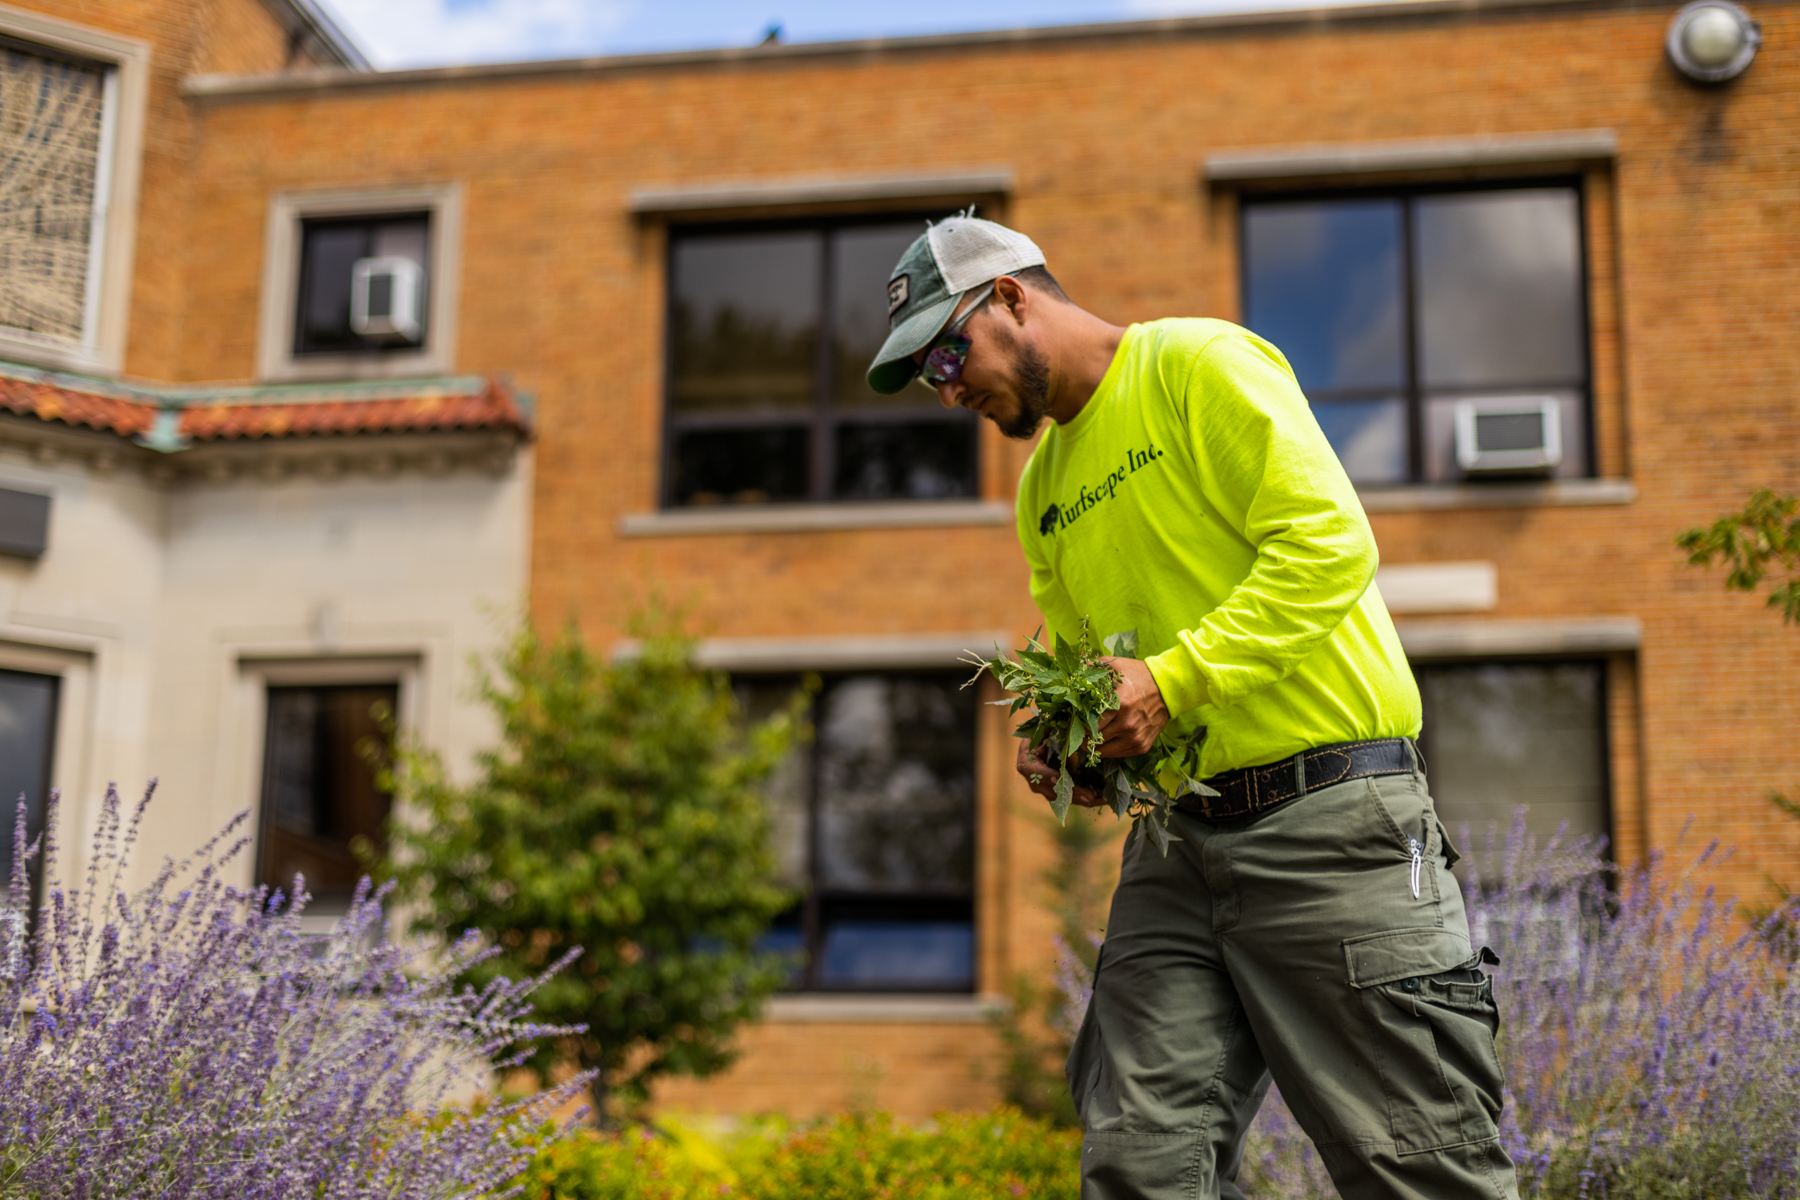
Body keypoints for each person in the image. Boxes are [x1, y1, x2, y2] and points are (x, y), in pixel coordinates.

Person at [866, 215, 1519, 1200]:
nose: (949, 386)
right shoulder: (1043, 487)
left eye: (948, 351)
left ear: (1012, 296)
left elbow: (1329, 547)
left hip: (1332, 824)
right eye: (928, 376)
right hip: (1178, 849)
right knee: (1141, 1161)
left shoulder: (1196, 364)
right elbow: (1095, 663)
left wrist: (1176, 680)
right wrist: (1070, 736)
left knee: (1417, 1168)